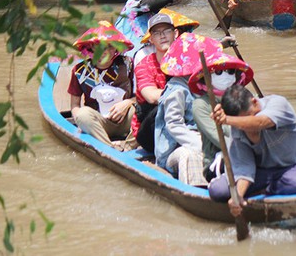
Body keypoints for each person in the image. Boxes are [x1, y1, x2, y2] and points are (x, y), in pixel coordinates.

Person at [207, 84, 296, 216]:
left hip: (293, 167)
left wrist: (227, 120)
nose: (246, 127)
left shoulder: (278, 104)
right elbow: (244, 167)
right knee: (219, 191)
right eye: (242, 123)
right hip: (262, 174)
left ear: (255, 102)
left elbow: (260, 122)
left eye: (247, 118)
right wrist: (237, 196)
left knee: (294, 184)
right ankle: (266, 190)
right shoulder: (237, 127)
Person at [154, 33, 224, 186]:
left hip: (207, 136)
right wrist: (200, 144)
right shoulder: (177, 89)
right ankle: (197, 190)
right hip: (179, 145)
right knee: (190, 155)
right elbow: (174, 126)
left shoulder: (208, 83)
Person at [68, 21, 135, 148]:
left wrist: (127, 103)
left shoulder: (128, 64)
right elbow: (75, 106)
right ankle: (109, 148)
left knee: (144, 109)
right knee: (82, 114)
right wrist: (82, 122)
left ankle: (128, 146)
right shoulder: (80, 71)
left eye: (109, 46)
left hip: (125, 119)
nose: (103, 52)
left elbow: (140, 96)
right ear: (91, 46)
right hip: (99, 124)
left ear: (116, 48)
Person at [188, 50, 253, 182]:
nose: (225, 76)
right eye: (218, 72)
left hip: (251, 150)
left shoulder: (244, 96)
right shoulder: (201, 105)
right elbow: (219, 138)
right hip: (218, 158)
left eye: (230, 72)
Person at [132, 12, 177, 152]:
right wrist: (183, 93)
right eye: (157, 33)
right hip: (149, 130)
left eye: (166, 31)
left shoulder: (185, 60)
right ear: (151, 39)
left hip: (179, 120)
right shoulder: (144, 65)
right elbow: (151, 95)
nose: (162, 36)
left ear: (175, 33)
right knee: (162, 108)